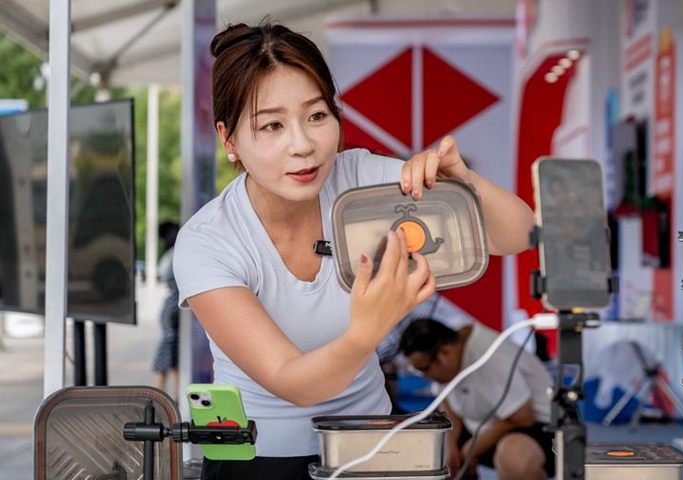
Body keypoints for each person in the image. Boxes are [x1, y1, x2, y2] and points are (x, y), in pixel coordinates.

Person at [173, 19, 535, 480]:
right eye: (272, 126)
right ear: (229, 141)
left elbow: (519, 235)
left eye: (317, 116)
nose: (302, 145)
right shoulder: (209, 240)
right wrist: (370, 328)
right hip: (257, 458)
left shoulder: (362, 179)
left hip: (369, 448)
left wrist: (466, 183)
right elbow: (294, 382)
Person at [399, 319, 554, 480]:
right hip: (485, 426)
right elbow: (447, 400)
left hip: (540, 427)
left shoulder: (489, 356)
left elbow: (522, 417)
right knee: (427, 450)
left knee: (514, 457)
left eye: (424, 370)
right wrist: (450, 444)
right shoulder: (450, 350)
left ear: (445, 354)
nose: (425, 377)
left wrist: (472, 448)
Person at [153, 221, 181, 398]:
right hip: (177, 308)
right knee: (174, 352)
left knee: (168, 349)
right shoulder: (181, 252)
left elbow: (160, 274)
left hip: (171, 307)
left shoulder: (170, 255)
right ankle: (173, 395)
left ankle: (161, 394)